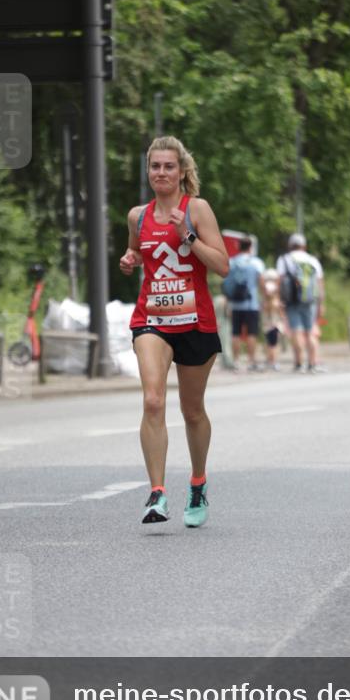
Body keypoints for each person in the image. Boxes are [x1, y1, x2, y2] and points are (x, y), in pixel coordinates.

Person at [120, 136, 229, 527]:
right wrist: (130, 259)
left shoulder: (197, 209)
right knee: (153, 400)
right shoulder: (138, 216)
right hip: (152, 319)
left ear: (182, 171)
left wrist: (188, 235)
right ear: (148, 171)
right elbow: (137, 250)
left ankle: (198, 483)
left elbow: (222, 266)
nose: (161, 173)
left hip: (195, 322)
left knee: (192, 410)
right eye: (155, 166)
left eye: (168, 166)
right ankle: (157, 493)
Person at [277, 233, 325, 373]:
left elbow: (280, 281)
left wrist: (280, 300)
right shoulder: (312, 260)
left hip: (292, 301)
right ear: (304, 246)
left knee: (296, 331)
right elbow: (320, 283)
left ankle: (299, 364)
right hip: (311, 300)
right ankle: (313, 363)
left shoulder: (284, 259)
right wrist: (321, 303)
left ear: (290, 245)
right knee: (310, 332)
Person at [223, 236, 265, 371]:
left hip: (235, 303)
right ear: (250, 247)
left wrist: (228, 301)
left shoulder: (232, 262)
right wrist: (264, 298)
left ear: (238, 246)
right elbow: (261, 282)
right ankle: (251, 361)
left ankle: (236, 361)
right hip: (252, 303)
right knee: (252, 333)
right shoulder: (256, 262)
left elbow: (227, 283)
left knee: (235, 333)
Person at [260, 267, 284, 370]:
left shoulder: (264, 300)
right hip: (274, 324)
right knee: (274, 343)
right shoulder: (276, 301)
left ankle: (270, 360)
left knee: (269, 342)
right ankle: (273, 361)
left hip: (267, 325)